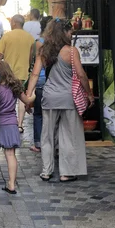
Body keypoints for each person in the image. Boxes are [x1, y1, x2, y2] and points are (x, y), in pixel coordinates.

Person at [25, 18, 94, 182]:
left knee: (47, 135)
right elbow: (81, 75)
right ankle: (66, 172)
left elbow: (34, 75)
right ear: (64, 32)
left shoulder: (43, 51)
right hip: (68, 98)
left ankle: (46, 171)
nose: (71, 34)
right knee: (68, 135)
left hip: (49, 97)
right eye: (70, 31)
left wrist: (28, 97)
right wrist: (89, 94)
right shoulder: (71, 51)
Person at [0, 60, 34, 194]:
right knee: (10, 154)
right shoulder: (14, 87)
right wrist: (33, 94)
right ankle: (11, 183)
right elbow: (27, 101)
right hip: (10, 122)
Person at [0, 14, 35, 133]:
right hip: (23, 72)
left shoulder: (7, 36)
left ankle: (7, 119)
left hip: (7, 73)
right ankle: (20, 124)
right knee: (21, 96)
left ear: (14, 23)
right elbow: (30, 57)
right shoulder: (30, 38)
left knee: (7, 96)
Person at [29, 16, 53, 153]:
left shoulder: (39, 42)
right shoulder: (58, 42)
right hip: (52, 81)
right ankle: (52, 142)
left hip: (42, 80)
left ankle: (38, 143)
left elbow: (34, 64)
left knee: (38, 113)